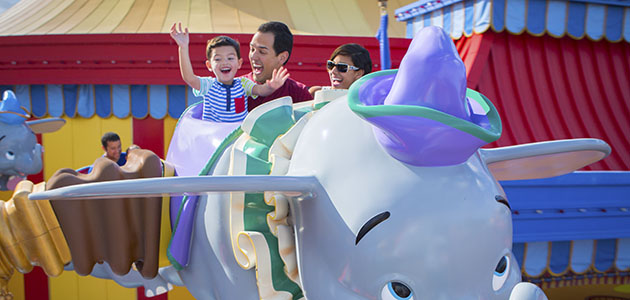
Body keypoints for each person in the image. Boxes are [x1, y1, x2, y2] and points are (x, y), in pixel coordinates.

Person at [170, 23, 289, 122]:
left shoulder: (243, 84)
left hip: (236, 137)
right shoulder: (209, 85)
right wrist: (183, 48)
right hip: (215, 138)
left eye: (230, 58)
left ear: (239, 63)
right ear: (209, 65)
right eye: (218, 59)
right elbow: (189, 78)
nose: (224, 62)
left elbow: (261, 90)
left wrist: (271, 86)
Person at [245, 21, 313, 111]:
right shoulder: (235, 88)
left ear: (282, 58)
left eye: (262, 52)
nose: (253, 56)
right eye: (252, 49)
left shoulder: (298, 94)